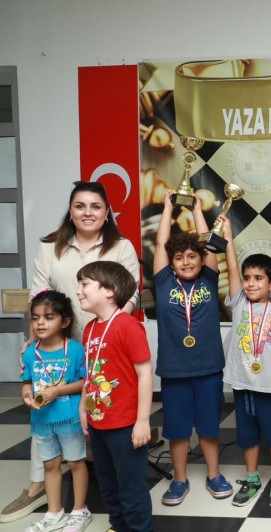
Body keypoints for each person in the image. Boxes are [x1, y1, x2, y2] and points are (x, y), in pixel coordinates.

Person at [1, 181, 140, 525]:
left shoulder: (121, 246)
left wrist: (112, 329)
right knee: (47, 407)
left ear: (107, 213)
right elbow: (39, 296)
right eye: (80, 206)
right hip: (59, 344)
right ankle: (38, 485)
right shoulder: (51, 246)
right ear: (71, 211)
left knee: (103, 406)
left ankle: (108, 479)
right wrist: (34, 337)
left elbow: (132, 294)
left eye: (96, 206)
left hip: (106, 344)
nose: (88, 212)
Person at [153, 191, 232, 505]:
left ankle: (214, 475)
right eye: (179, 258)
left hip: (208, 366)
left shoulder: (209, 279)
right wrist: (167, 209)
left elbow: (208, 242)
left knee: (209, 426)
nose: (186, 262)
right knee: (177, 429)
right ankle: (179, 479)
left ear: (201, 259)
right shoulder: (163, 281)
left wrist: (198, 209)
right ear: (171, 263)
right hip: (174, 369)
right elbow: (161, 242)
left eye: (191, 256)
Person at [222, 219, 271, 508]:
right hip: (243, 385)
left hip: (270, 386)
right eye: (247, 278)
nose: (251, 283)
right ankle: (252, 477)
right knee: (247, 434)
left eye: (258, 278)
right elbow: (231, 268)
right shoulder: (239, 303)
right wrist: (228, 237)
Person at [77, 261, 153, 532]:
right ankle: (118, 526)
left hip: (125, 425)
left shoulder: (128, 326)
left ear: (109, 290)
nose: (78, 291)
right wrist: (83, 408)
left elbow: (145, 374)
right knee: (108, 485)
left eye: (85, 284)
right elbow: (90, 373)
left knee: (131, 487)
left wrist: (142, 421)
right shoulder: (89, 329)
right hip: (98, 422)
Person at [21, 291, 90, 532]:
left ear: (65, 321)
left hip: (69, 419)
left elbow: (85, 382)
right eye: (35, 318)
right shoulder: (31, 352)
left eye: (48, 317)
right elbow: (27, 382)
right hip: (42, 420)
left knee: (76, 463)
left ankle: (80, 510)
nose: (40, 323)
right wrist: (26, 395)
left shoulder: (75, 350)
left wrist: (58, 391)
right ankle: (54, 512)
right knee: (50, 465)